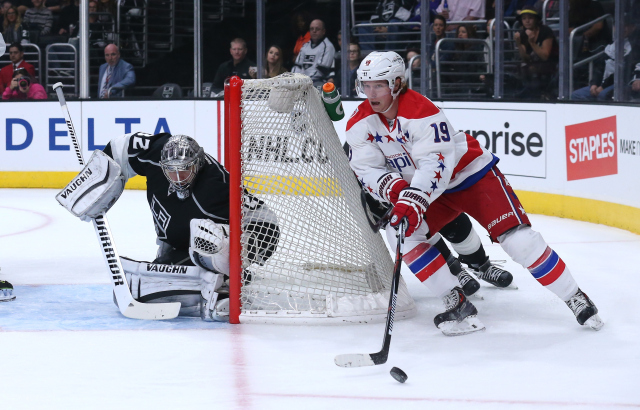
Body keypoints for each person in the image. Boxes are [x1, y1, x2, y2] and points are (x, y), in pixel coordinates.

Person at [346, 51, 603, 334]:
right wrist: (396, 191)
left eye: (378, 85)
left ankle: (575, 296)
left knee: (519, 241)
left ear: (396, 84)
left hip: (470, 176)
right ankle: (457, 303)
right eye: (366, 85)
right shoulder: (360, 123)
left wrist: (412, 198)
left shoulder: (422, 111)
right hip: (430, 192)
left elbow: (436, 164)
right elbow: (367, 168)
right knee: (401, 232)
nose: (371, 93)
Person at [58, 133, 279, 321]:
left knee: (208, 237)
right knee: (139, 288)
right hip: (174, 246)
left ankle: (226, 282)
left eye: (184, 170)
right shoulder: (155, 154)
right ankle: (211, 286)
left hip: (208, 250)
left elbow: (266, 222)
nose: (177, 178)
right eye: (171, 171)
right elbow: (121, 147)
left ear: (198, 164)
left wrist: (240, 252)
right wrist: (97, 177)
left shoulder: (216, 187)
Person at [571, 19, 636, 102]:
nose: (622, 28)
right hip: (603, 84)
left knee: (603, 95)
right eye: (618, 25)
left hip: (621, 84)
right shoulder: (611, 45)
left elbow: (622, 72)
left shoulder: (634, 47)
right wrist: (594, 84)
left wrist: (603, 86)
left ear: (633, 27)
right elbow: (599, 68)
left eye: (626, 26)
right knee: (577, 95)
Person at [514, 7, 558, 99]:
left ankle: (535, 94)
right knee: (521, 67)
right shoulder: (523, 33)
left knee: (531, 69)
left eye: (530, 18)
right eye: (524, 18)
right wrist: (518, 44)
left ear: (536, 19)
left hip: (552, 63)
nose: (527, 21)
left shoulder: (545, 31)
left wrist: (532, 43)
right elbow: (525, 58)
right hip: (533, 64)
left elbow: (545, 56)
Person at [292, 19, 335, 87]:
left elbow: (321, 70)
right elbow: (297, 66)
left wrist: (305, 82)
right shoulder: (305, 46)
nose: (314, 31)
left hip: (319, 82)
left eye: (317, 29)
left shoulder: (328, 46)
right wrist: (294, 79)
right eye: (312, 29)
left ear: (323, 31)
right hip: (302, 82)